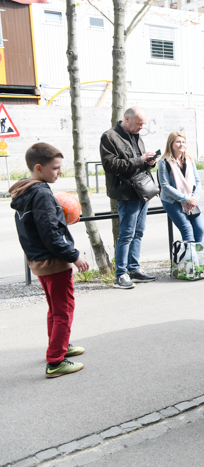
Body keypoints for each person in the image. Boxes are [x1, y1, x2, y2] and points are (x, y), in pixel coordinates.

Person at [9, 143, 90, 378]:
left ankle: (59, 345)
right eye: (55, 168)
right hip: (53, 262)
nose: (59, 172)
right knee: (64, 309)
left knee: (55, 308)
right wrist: (74, 255)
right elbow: (50, 234)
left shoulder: (25, 191)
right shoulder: (42, 194)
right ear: (38, 168)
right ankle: (56, 361)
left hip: (38, 261)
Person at [100, 107, 157, 289]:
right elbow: (110, 165)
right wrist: (140, 160)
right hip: (126, 192)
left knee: (138, 232)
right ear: (127, 118)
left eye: (143, 124)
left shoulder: (136, 135)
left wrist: (149, 163)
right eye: (139, 123)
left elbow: (138, 164)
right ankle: (120, 274)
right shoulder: (109, 136)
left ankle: (134, 269)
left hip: (141, 190)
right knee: (126, 234)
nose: (142, 127)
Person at [158, 131, 204, 276]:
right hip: (172, 201)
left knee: (199, 229)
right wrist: (185, 199)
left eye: (183, 142)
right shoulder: (164, 162)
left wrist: (194, 197)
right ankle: (192, 264)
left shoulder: (189, 160)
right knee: (187, 230)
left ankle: (200, 260)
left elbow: (197, 181)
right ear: (171, 144)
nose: (181, 144)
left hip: (191, 199)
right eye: (178, 142)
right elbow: (165, 186)